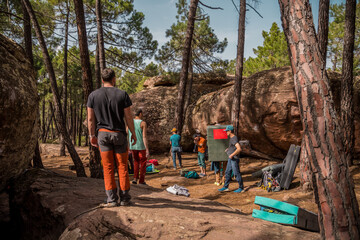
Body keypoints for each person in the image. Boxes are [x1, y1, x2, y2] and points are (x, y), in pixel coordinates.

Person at [87, 68, 137, 207]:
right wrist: (133, 133)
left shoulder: (93, 95)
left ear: (102, 80)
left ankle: (112, 199)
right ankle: (125, 198)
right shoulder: (122, 94)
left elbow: (91, 119)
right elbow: (128, 116)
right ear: (114, 79)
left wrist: (92, 135)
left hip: (102, 134)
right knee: (122, 166)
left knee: (108, 167)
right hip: (119, 134)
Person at [218, 125, 244, 193]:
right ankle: (226, 187)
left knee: (236, 173)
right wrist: (228, 149)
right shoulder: (232, 138)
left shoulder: (234, 138)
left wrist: (232, 155)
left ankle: (241, 188)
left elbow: (239, 149)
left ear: (230, 131)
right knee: (227, 172)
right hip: (231, 158)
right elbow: (233, 147)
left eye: (226, 131)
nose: (226, 132)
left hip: (234, 159)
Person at [128, 109, 150, 185]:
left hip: (133, 146)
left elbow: (127, 132)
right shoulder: (143, 123)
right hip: (141, 146)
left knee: (136, 162)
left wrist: (128, 145)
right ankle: (141, 180)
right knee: (143, 162)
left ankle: (135, 178)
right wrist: (147, 149)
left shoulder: (130, 122)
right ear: (140, 114)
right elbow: (144, 136)